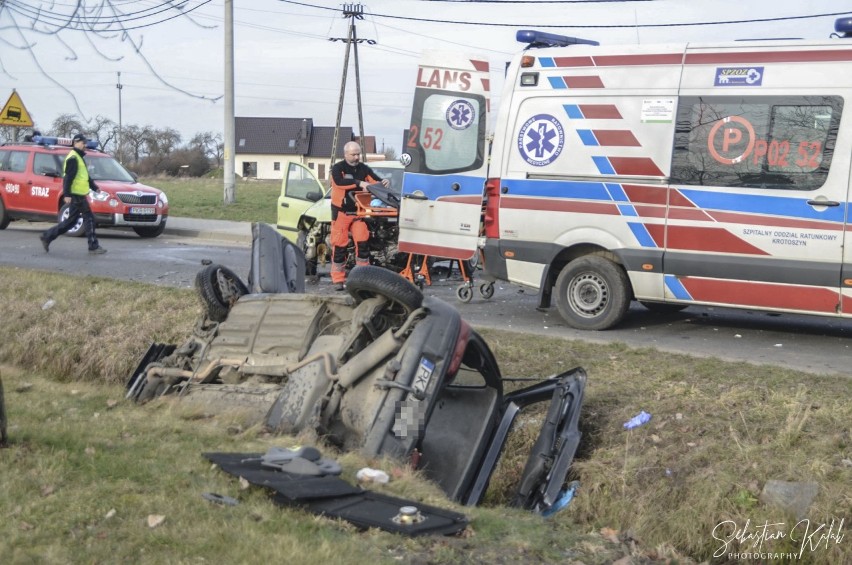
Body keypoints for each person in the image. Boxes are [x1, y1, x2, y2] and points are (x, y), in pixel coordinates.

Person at [329, 141, 389, 289]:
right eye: (353, 154)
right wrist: (359, 183)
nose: (356, 157)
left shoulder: (364, 168)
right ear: (345, 154)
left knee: (363, 242)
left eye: (358, 154)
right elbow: (339, 182)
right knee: (339, 245)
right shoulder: (338, 168)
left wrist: (383, 182)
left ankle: (363, 277)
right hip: (341, 212)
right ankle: (338, 279)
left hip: (359, 212)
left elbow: (375, 181)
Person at [40, 134, 107, 255]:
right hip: (76, 194)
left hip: (78, 193)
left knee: (71, 221)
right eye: (83, 143)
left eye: (85, 143)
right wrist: (67, 195)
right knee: (89, 218)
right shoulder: (73, 158)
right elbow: (68, 178)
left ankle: (47, 236)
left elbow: (84, 176)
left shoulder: (78, 157)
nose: (85, 145)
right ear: (76, 143)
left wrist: (95, 188)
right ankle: (93, 246)